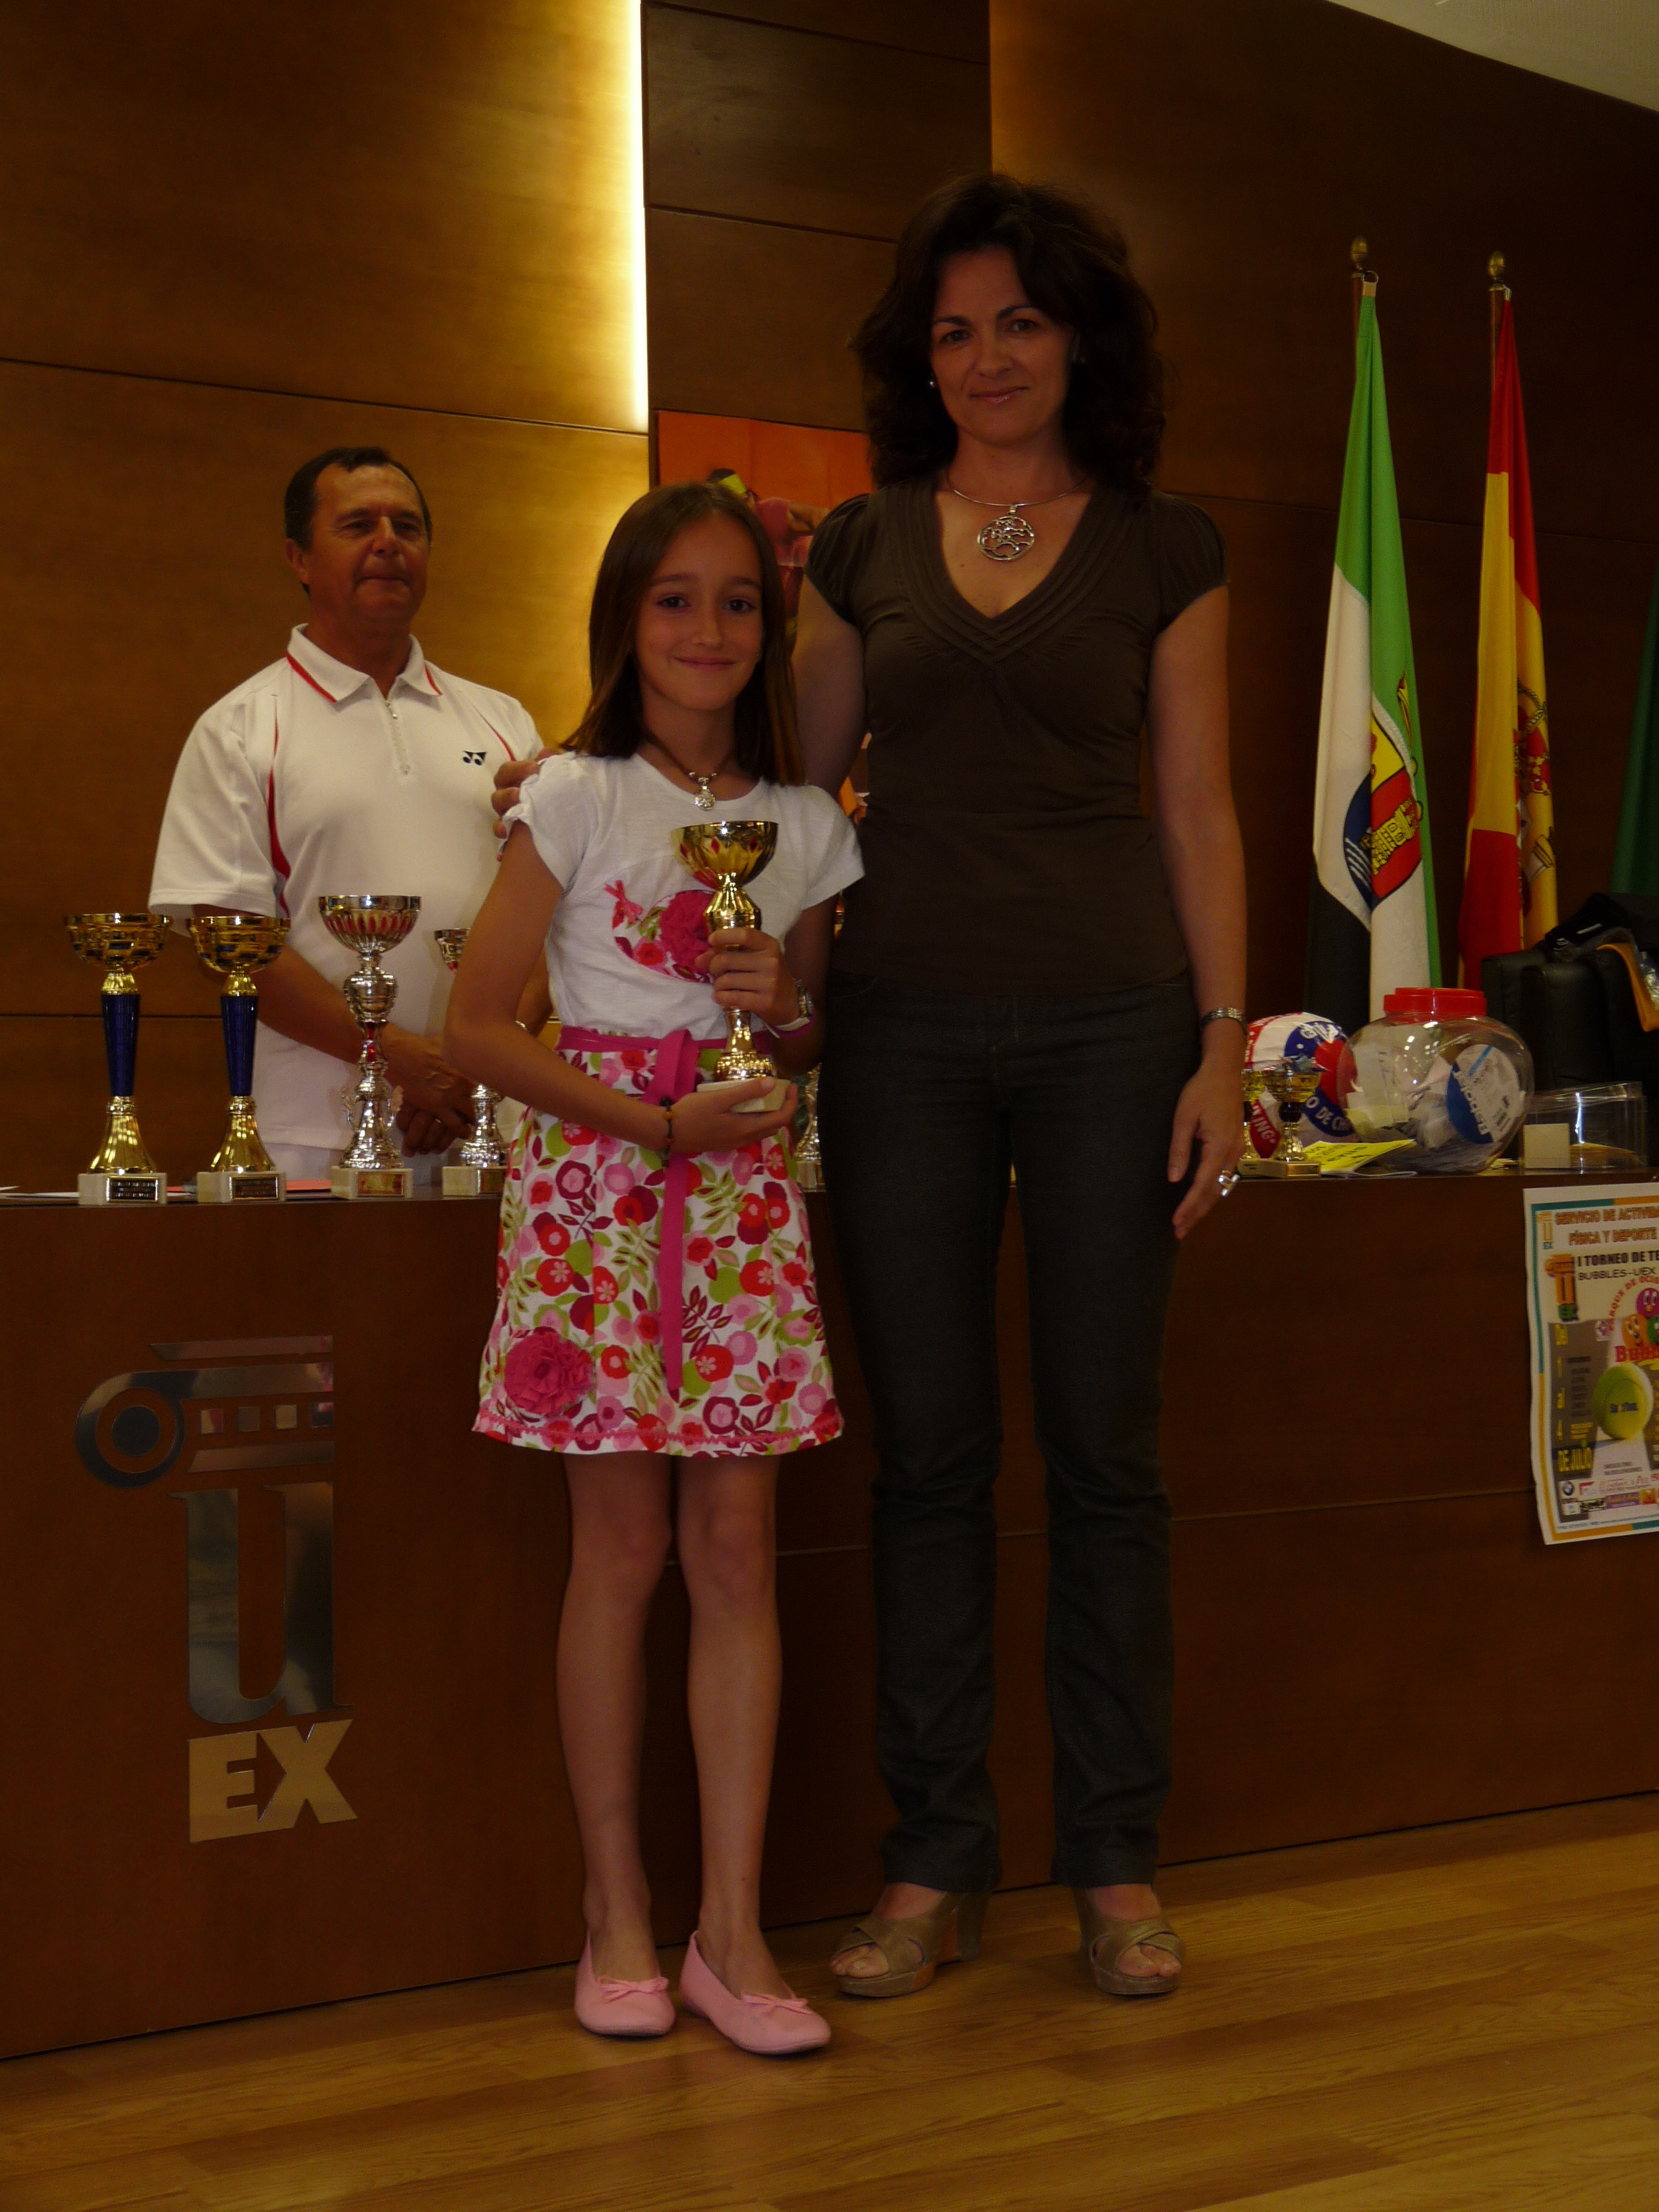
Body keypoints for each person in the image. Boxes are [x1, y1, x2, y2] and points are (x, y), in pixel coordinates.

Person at [789, 173, 1246, 2002]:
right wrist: (779, 1000)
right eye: (955, 330)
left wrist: (1221, 1043)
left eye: (1021, 322)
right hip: (896, 1036)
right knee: (928, 1459)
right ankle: (933, 1857)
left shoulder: (1166, 545)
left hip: (1113, 1037)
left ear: (1080, 340)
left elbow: (1194, 809)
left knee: (1105, 1456)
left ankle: (1114, 1861)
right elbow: (794, 808)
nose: (985, 358)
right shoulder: (856, 544)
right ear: (921, 357)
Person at [444, 479, 861, 2056]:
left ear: (772, 628)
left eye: (739, 601)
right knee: (618, 1553)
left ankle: (731, 1934)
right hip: (598, 1186)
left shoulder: (808, 824)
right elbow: (477, 1027)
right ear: (626, 619)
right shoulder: (571, 793)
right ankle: (613, 1904)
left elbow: (802, 1035)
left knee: (738, 1552)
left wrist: (781, 1006)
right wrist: (651, 1122)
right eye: (675, 598)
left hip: (740, 1192)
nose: (708, 629)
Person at [149, 446, 543, 1181]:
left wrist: (475, 1067)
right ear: (298, 558)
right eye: (359, 525)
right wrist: (399, 1060)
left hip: (494, 1117)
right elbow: (232, 944)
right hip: (318, 1128)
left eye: (408, 527)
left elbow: (546, 921)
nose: (388, 543)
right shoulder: (240, 727)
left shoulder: (503, 721)